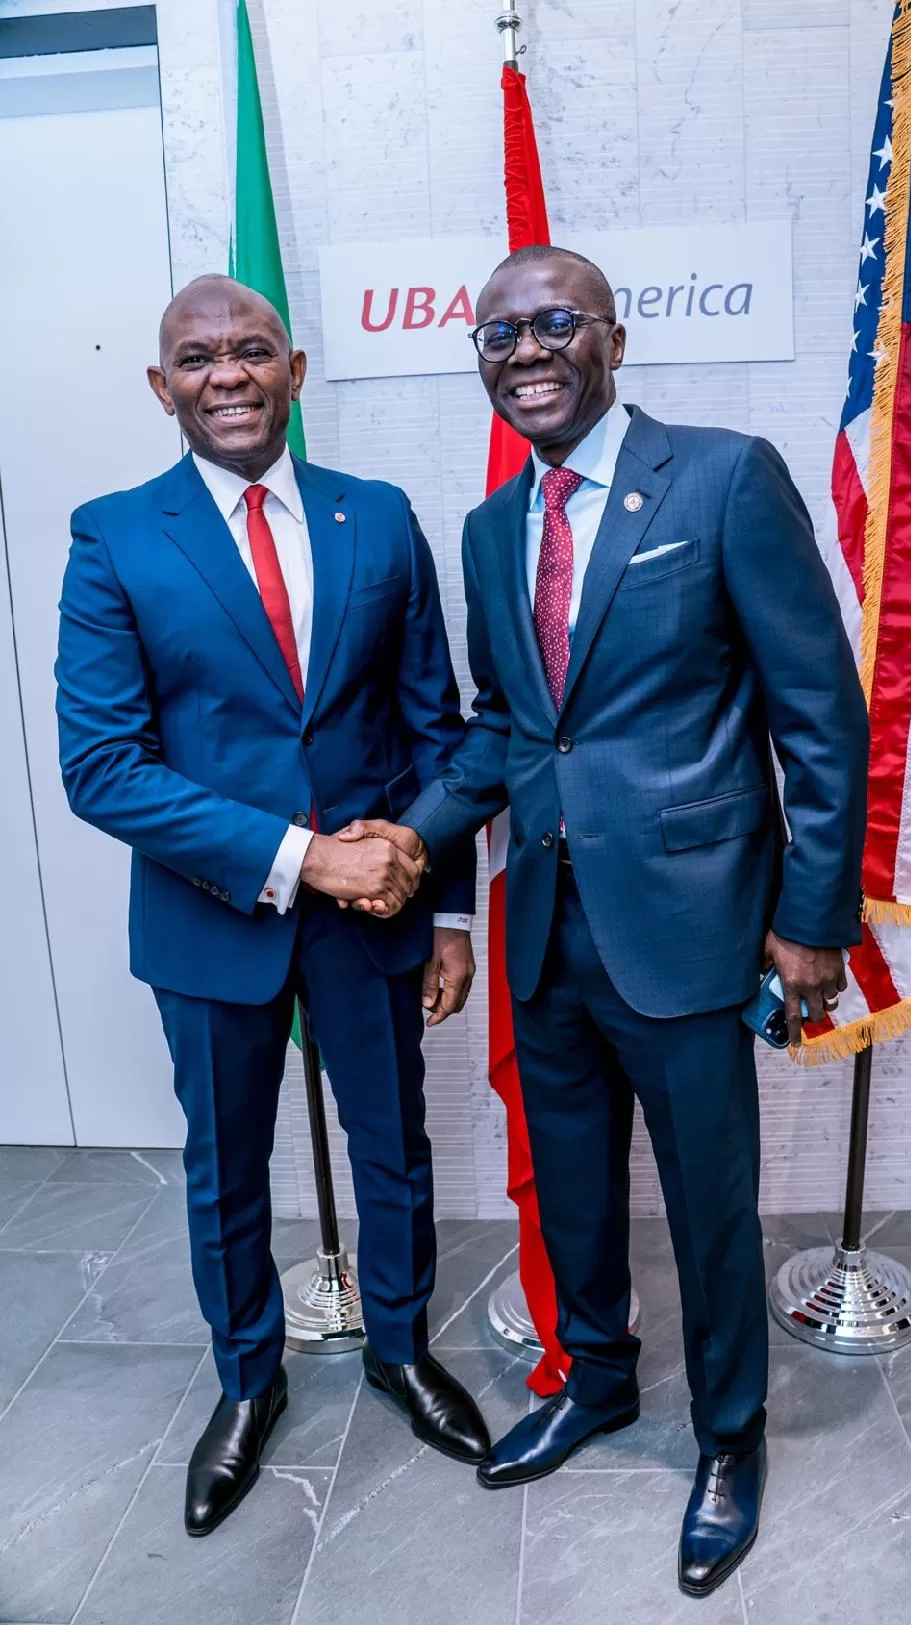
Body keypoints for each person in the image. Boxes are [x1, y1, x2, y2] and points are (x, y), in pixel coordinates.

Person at [344, 245, 869, 1597]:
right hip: (549, 931)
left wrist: (812, 915)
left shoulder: (724, 474)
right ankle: (601, 1384)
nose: (525, 349)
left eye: (553, 323)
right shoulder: (488, 530)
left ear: (614, 340)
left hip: (695, 929)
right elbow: (512, 730)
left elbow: (819, 708)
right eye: (500, 332)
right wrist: (411, 834)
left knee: (708, 1204)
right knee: (577, 1193)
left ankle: (732, 1440)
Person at [55, 275, 491, 1539]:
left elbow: (435, 730)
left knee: (393, 1147)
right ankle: (249, 1382)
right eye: (199, 357)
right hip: (213, 919)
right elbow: (104, 767)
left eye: (252, 351)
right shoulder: (114, 535)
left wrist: (447, 906)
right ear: (162, 385)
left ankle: (403, 1352)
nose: (228, 374)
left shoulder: (381, 518)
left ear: (296, 369)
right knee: (224, 1166)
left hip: (382, 919)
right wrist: (307, 856)